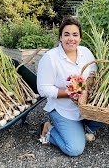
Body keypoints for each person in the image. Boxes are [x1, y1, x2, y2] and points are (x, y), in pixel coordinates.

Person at [36, 17, 105, 156]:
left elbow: (94, 74)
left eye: (75, 35)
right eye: (66, 34)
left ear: (80, 38)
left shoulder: (86, 52)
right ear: (60, 37)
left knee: (107, 115)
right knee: (74, 149)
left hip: (85, 106)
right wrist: (70, 93)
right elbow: (43, 89)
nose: (71, 39)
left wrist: (89, 91)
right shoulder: (50, 58)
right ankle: (49, 129)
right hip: (63, 109)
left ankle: (80, 129)